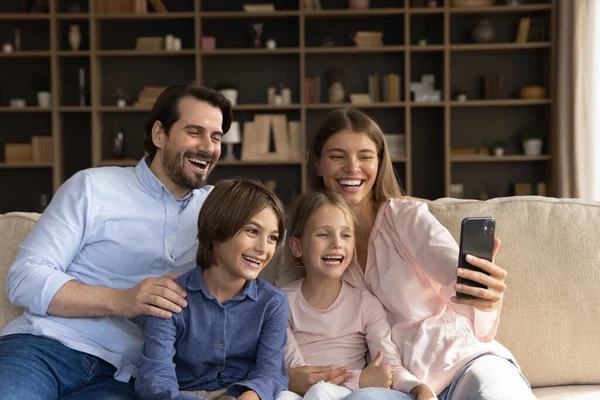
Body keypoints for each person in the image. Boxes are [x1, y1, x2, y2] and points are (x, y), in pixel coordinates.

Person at [277, 108, 535, 400]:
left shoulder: (406, 217)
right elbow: (280, 312)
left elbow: (461, 281)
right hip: (397, 387)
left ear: (379, 162)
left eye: (365, 156)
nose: (352, 168)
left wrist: (486, 296)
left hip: (460, 362)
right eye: (337, 156)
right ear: (317, 164)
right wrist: (287, 375)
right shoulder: (307, 243)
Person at [0, 84, 232, 399]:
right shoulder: (93, 187)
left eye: (216, 137)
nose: (208, 147)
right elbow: (25, 278)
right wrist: (124, 300)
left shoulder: (218, 209)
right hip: (44, 349)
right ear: (159, 135)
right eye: (195, 132)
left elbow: (291, 232)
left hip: (123, 377)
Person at [135, 178, 290, 400]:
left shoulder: (273, 303)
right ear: (217, 230)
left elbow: (271, 374)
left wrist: (250, 396)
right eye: (252, 231)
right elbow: (155, 382)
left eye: (272, 238)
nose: (263, 248)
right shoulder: (170, 297)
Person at [277, 191, 437, 400]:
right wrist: (360, 378)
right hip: (307, 392)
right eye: (323, 234)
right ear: (297, 246)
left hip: (354, 395)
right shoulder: (281, 302)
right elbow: (299, 373)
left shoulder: (365, 304)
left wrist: (418, 388)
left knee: (321, 391)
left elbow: (387, 366)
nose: (337, 243)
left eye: (345, 235)